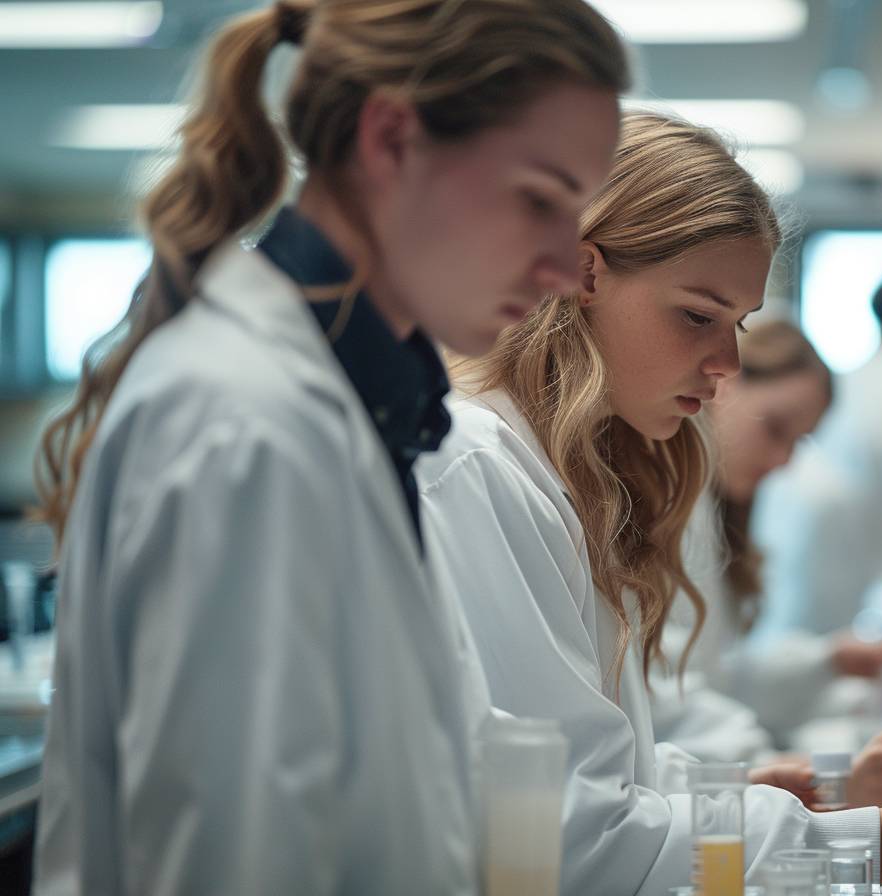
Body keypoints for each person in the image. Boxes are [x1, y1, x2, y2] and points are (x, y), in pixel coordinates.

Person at [32, 2, 626, 892]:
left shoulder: (355, 415)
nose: (557, 265)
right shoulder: (248, 426)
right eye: (538, 199)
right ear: (391, 139)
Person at [418, 111, 882, 892]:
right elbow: (578, 840)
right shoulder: (475, 469)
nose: (726, 362)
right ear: (581, 272)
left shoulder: (560, 480)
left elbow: (618, 768)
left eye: (736, 324)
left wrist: (776, 792)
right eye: (698, 316)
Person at [651, 319, 882, 809]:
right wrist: (790, 768)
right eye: (776, 429)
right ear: (724, 384)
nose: (783, 461)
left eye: (798, 442)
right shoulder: (663, 504)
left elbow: (717, 676)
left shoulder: (710, 510)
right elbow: (663, 697)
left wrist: (830, 662)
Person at [751, 266, 882, 652]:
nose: (782, 462)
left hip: (844, 576)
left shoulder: (858, 377)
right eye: (774, 430)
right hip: (868, 572)